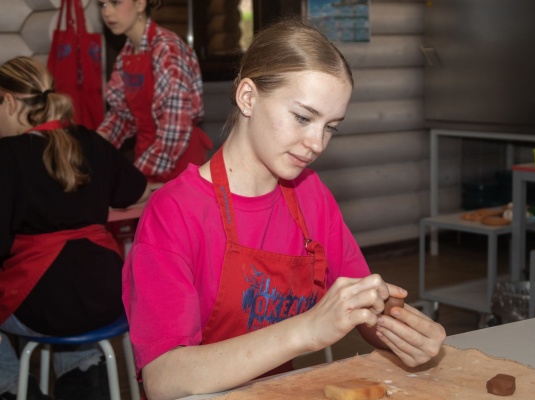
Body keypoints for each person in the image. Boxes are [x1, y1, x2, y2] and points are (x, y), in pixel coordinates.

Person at [123, 18, 446, 399]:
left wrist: (404, 331)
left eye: (330, 126)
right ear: (248, 97)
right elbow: (163, 377)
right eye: (303, 118)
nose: (317, 144)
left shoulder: (311, 195)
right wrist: (306, 330)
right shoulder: (174, 213)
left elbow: (363, 308)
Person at [0, 56, 150, 400]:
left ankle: (12, 388)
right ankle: (85, 376)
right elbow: (138, 190)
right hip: (106, 295)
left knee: (52, 295)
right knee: (70, 293)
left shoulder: (7, 155)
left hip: (44, 304)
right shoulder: (89, 140)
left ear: (9, 102)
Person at [97, 0, 213, 183]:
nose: (107, 12)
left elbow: (175, 129)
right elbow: (122, 116)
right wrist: (94, 145)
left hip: (180, 163)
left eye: (115, 2)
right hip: (148, 157)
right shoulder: (127, 54)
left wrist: (133, 178)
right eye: (102, 4)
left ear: (140, 4)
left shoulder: (168, 49)